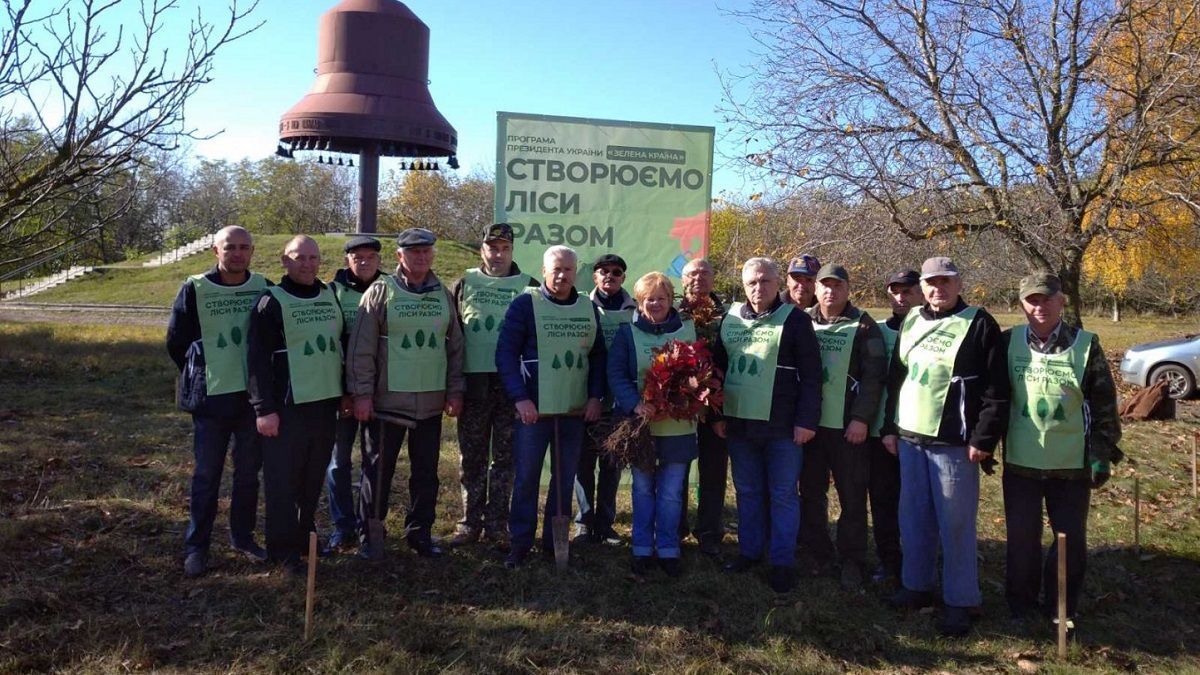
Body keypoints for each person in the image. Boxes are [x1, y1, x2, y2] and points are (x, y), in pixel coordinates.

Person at [881, 256, 1008, 636]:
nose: (939, 289)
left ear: (959, 283)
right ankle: (915, 586)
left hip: (955, 442)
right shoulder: (913, 320)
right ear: (923, 286)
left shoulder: (980, 323)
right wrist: (890, 427)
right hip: (910, 438)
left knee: (955, 523)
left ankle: (960, 599)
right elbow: (896, 378)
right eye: (932, 283)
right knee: (913, 517)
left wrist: (983, 438)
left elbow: (997, 389)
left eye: (946, 282)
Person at [1000, 272, 1122, 625]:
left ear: (1061, 301)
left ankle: (1061, 607)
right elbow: (996, 398)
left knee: (1068, 540)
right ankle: (1020, 605)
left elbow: (1104, 406)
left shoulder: (1085, 344)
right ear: (1022, 304)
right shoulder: (1008, 343)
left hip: (1071, 465)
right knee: (1022, 539)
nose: (1039, 307)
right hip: (1021, 462)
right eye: (1031, 300)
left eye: (1046, 299)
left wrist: (1101, 454)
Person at [347, 227, 465, 559]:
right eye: (414, 253)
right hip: (386, 404)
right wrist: (362, 394)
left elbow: (455, 347)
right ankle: (370, 533)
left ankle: (420, 533)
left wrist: (455, 390)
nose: (421, 258)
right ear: (400, 256)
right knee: (378, 472)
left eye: (427, 252)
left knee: (426, 473)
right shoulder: (380, 292)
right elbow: (361, 350)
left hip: (429, 404)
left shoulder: (442, 293)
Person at [167, 225, 270, 577]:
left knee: (247, 476)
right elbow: (176, 341)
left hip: (250, 401)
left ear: (252, 252)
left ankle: (242, 537)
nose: (237, 253)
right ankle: (197, 547)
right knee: (206, 475)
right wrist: (199, 372)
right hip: (210, 401)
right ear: (216, 250)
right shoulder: (194, 287)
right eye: (230, 247)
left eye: (244, 247)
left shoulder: (263, 287)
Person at [715, 257, 821, 593]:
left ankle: (781, 561)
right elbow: (717, 371)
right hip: (740, 426)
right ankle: (749, 552)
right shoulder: (729, 319)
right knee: (747, 492)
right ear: (743, 285)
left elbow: (813, 376)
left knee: (783, 495)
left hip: (783, 427)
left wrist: (806, 421)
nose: (758, 288)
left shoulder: (795, 320)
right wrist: (717, 415)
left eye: (765, 281)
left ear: (778, 284)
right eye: (751, 283)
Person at [495, 245, 606, 568]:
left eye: (568, 270)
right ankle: (520, 543)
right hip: (533, 412)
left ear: (576, 273)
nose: (561, 275)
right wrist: (520, 398)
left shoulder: (588, 307)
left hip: (572, 411)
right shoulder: (524, 305)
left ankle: (554, 543)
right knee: (527, 478)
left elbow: (598, 356)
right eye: (556, 269)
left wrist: (595, 396)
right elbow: (505, 355)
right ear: (544, 271)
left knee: (563, 478)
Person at [247, 235, 344, 575]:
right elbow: (256, 360)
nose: (307, 263)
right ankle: (282, 553)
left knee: (311, 479)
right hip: (286, 408)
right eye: (299, 257)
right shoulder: (270, 301)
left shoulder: (329, 294)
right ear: (284, 261)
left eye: (313, 257)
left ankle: (306, 540)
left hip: (324, 404)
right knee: (282, 483)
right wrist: (263, 409)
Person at [445, 224, 538, 548]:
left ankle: (497, 524)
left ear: (512, 251)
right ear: (481, 249)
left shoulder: (530, 287)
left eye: (504, 248)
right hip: (474, 384)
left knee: (505, 458)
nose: (497, 254)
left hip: (513, 387)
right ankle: (469, 522)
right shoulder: (463, 283)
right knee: (471, 457)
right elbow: (449, 335)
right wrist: (452, 386)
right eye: (491, 248)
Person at [799, 263, 887, 590]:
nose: (830, 292)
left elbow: (875, 376)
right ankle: (816, 550)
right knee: (810, 491)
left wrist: (861, 418)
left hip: (848, 428)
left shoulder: (864, 326)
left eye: (837, 286)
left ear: (848, 289)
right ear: (816, 289)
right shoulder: (803, 321)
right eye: (824, 285)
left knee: (851, 495)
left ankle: (852, 558)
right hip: (809, 426)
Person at [608, 272, 699, 577]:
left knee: (672, 492)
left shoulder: (688, 329)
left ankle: (670, 549)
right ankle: (642, 548)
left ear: (670, 299)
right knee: (643, 490)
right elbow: (617, 374)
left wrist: (692, 397)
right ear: (639, 301)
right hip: (641, 427)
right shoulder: (626, 333)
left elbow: (701, 372)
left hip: (678, 428)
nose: (656, 303)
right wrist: (634, 403)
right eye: (649, 299)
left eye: (662, 298)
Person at [324, 235, 382, 551]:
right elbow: (331, 347)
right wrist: (345, 392)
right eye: (357, 257)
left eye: (370, 257)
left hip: (380, 392)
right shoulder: (331, 292)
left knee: (375, 462)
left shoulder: (390, 288)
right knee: (338, 462)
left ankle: (369, 524)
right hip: (343, 393)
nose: (364, 262)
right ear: (347, 260)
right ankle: (342, 525)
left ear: (380, 260)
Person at [575, 253, 636, 544]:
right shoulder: (579, 306)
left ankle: (606, 523)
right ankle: (584, 523)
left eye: (616, 272)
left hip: (620, 400)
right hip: (585, 396)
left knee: (612, 465)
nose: (609, 276)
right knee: (583, 463)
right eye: (603, 271)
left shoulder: (636, 309)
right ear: (595, 276)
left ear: (623, 277)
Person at [866, 269, 921, 583]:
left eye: (908, 291)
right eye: (895, 291)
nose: (901, 298)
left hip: (917, 430)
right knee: (884, 500)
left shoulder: (930, 329)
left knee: (914, 502)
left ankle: (917, 562)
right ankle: (888, 561)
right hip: (880, 432)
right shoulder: (878, 330)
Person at [677, 257, 728, 556]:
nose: (698, 278)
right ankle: (676, 527)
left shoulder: (729, 315)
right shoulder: (672, 311)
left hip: (715, 406)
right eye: (692, 274)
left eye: (704, 273)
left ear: (713, 279)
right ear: (683, 280)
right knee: (677, 467)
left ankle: (709, 531)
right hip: (680, 404)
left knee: (714, 469)